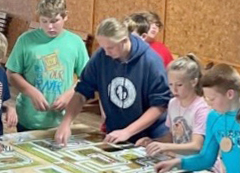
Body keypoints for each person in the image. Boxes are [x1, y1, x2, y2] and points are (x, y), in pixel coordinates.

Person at [54, 17, 170, 146]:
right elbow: (82, 92)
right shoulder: (101, 56)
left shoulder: (151, 61)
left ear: (124, 41)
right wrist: (66, 122)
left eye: (110, 48)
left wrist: (128, 131)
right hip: (116, 133)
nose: (106, 53)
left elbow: (159, 105)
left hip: (150, 137)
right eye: (103, 47)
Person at [155, 64, 240, 173]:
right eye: (206, 99)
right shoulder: (214, 116)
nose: (208, 104)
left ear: (230, 94)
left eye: (212, 99)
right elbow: (206, 157)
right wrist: (177, 163)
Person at [6, 0, 89, 133]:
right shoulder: (25, 40)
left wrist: (70, 94)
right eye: (44, 21)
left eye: (55, 21)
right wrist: (30, 91)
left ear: (65, 17)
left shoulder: (75, 43)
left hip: (61, 121)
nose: (50, 27)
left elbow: (87, 78)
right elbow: (11, 73)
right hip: (29, 118)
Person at [138, 55, 208, 158]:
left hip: (198, 163)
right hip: (178, 160)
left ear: (194, 82)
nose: (174, 90)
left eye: (179, 85)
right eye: (170, 85)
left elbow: (196, 146)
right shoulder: (173, 103)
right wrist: (152, 142)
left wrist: (165, 147)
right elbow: (172, 136)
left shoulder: (202, 108)